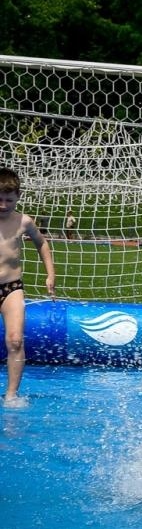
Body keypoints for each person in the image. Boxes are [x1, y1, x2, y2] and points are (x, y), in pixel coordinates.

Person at [0, 168, 57, 406]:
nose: (3, 205)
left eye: (9, 200)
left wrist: (50, 274)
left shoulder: (23, 221)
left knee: (15, 340)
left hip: (11, 288)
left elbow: (42, 244)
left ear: (18, 197)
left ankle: (11, 395)